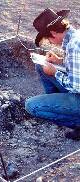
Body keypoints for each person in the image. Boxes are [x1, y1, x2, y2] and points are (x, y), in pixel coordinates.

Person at [25, 8, 80, 140]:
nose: (49, 43)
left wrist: (55, 73)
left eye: (48, 39)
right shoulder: (75, 36)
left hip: (78, 90)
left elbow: (76, 87)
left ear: (53, 33)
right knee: (41, 66)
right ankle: (59, 105)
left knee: (31, 106)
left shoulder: (74, 46)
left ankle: (76, 122)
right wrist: (60, 61)